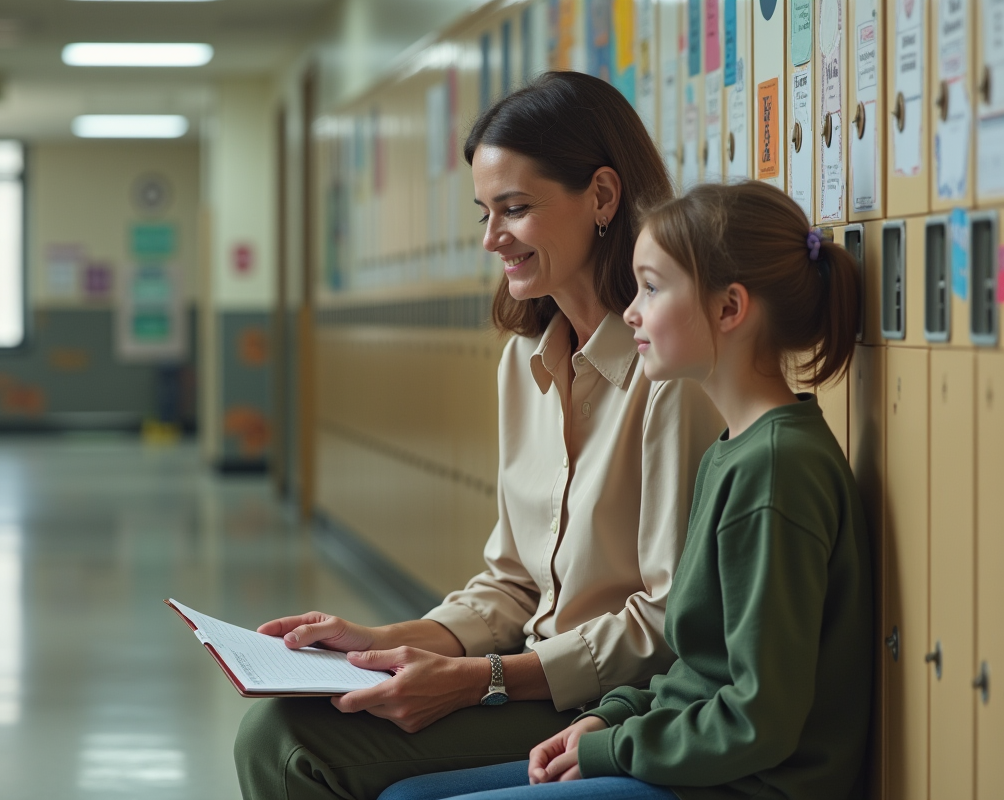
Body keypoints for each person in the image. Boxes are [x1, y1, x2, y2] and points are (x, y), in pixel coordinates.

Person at [233, 72, 724, 800]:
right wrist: (380, 644)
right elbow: (513, 583)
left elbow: (666, 621)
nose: (492, 238)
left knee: (293, 746)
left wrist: (479, 679)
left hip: (618, 704)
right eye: (485, 213)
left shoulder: (671, 375)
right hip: (529, 677)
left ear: (601, 196)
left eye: (515, 209)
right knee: (281, 726)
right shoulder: (523, 363)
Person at [377, 181, 873, 800]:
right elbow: (699, 667)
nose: (631, 312)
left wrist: (613, 747)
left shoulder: (775, 470)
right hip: (690, 753)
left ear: (729, 309)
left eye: (652, 288)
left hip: (749, 785)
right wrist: (610, 717)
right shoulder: (734, 450)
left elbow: (758, 719)